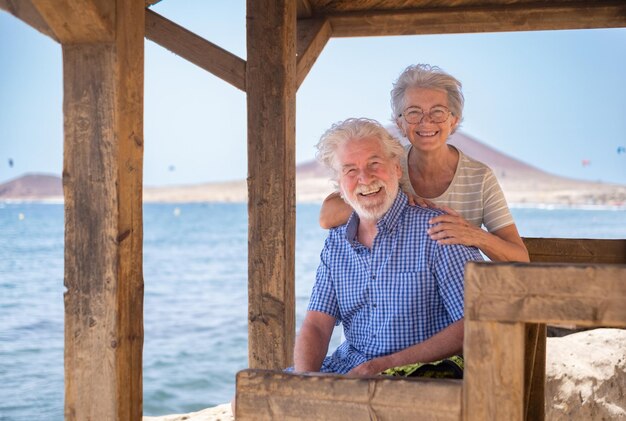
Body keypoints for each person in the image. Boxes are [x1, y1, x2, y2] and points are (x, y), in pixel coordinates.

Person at [293, 118, 483, 376]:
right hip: (350, 367)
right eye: (350, 170)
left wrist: (383, 365)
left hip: (424, 372)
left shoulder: (439, 231)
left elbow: (474, 322)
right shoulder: (336, 242)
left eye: (375, 164)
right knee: (248, 398)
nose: (364, 178)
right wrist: (304, 383)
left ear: (396, 169)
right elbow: (317, 324)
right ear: (339, 184)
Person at [319, 64, 529, 263]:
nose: (426, 121)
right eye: (413, 112)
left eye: (437, 111)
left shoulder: (479, 178)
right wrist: (393, 199)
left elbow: (520, 258)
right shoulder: (385, 168)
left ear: (454, 120)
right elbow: (327, 216)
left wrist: (474, 235)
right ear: (400, 123)